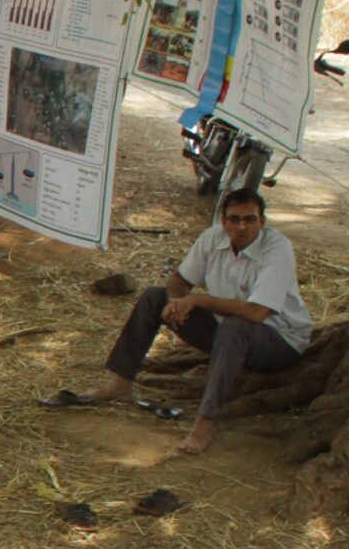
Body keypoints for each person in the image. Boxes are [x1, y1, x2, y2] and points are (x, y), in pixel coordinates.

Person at [52, 188, 312, 454]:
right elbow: (178, 281)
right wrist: (176, 302)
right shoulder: (213, 239)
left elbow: (257, 313)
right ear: (223, 221)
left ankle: (204, 422)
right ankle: (121, 384)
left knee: (236, 327)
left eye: (250, 219)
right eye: (234, 219)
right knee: (155, 297)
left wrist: (198, 301)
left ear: (262, 222)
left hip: (280, 340)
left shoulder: (277, 250)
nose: (242, 226)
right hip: (226, 330)